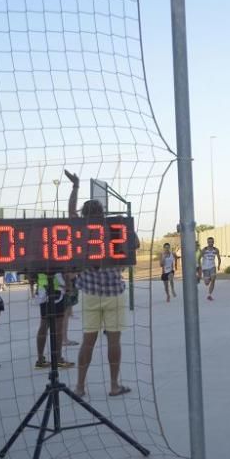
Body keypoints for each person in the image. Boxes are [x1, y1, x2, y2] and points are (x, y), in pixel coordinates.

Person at [65, 169, 136, 398]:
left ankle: (79, 386)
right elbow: (133, 244)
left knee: (88, 341)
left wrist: (75, 186)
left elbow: (70, 213)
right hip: (114, 291)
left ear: (84, 214)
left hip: (90, 293)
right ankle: (114, 385)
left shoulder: (81, 231)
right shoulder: (113, 229)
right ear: (102, 212)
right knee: (114, 341)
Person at [34, 271, 75, 370]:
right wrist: (68, 285)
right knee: (58, 326)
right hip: (57, 289)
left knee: (44, 324)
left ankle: (40, 359)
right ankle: (58, 358)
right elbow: (64, 269)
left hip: (42, 290)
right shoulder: (56, 256)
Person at [201, 237, 222, 301]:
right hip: (205, 268)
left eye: (212, 242)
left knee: (213, 279)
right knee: (206, 283)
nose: (211, 243)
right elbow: (199, 257)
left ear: (213, 242)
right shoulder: (204, 250)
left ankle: (209, 295)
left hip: (212, 267)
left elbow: (219, 258)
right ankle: (209, 278)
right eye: (209, 242)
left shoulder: (216, 250)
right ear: (207, 242)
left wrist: (218, 266)